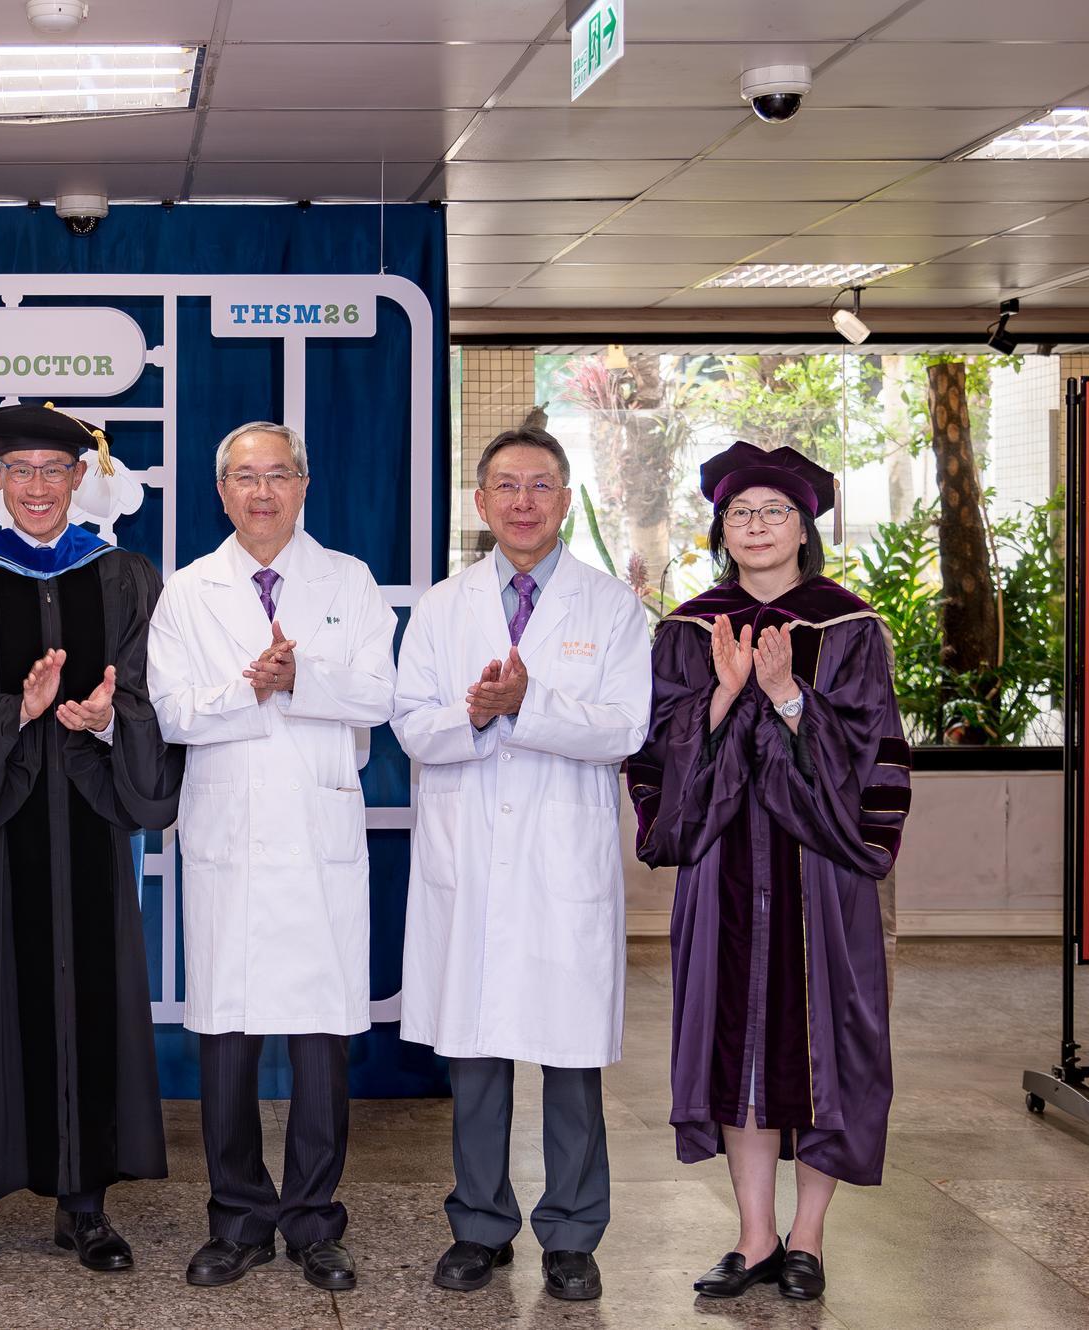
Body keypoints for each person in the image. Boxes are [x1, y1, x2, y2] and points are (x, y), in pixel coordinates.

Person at [0, 403, 184, 1279]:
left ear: (78, 480)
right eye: (18, 470)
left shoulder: (125, 576)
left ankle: (83, 1206)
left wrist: (103, 720)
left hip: (89, 832)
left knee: (89, 1000)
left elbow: (150, 697)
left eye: (53, 471)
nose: (36, 488)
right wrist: (12, 713)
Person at [629, 442, 905, 1304]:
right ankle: (752, 1236)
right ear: (721, 527)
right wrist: (720, 695)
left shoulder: (847, 627)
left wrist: (788, 699)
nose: (755, 527)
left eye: (773, 513)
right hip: (719, 868)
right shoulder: (689, 628)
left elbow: (875, 753)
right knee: (735, 1042)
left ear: (804, 526)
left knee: (824, 1042)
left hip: (819, 872)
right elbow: (655, 754)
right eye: (740, 514)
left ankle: (807, 1238)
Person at [392, 425, 651, 1303]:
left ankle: (573, 1233)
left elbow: (624, 728)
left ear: (566, 500)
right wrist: (475, 715)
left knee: (570, 1057)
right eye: (505, 486)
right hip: (468, 853)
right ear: (480, 501)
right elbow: (410, 724)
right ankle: (479, 1225)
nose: (523, 502)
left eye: (540, 486)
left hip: (560, 857)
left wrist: (526, 703)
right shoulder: (440, 607)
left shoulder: (610, 606)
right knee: (474, 1053)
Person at [147, 421, 395, 1293]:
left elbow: (380, 691)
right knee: (227, 1035)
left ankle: (316, 1222)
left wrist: (302, 682)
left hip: (317, 824)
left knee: (323, 1037)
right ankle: (239, 1218)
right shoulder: (187, 590)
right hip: (228, 831)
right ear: (220, 492)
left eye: (277, 475)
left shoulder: (348, 581)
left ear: (303, 483)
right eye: (243, 478)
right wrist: (249, 688)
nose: (261, 492)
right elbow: (172, 711)